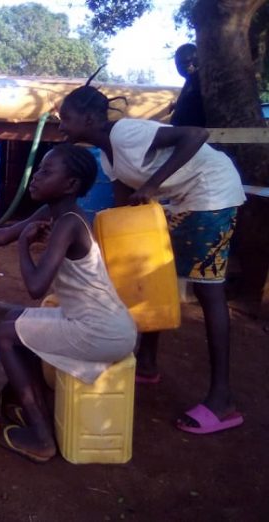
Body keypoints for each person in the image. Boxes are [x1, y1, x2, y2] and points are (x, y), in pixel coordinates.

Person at [58, 77, 246, 435]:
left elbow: (195, 135)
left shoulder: (126, 133)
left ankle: (222, 400)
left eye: (65, 118)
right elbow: (118, 210)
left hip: (211, 193)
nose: (61, 125)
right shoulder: (107, 157)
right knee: (152, 276)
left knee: (208, 291)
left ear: (89, 119)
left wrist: (149, 186)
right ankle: (146, 362)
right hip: (179, 201)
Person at [0, 144, 137, 463]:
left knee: (4, 334)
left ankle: (41, 439)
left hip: (100, 332)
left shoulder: (68, 223)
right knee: (16, 320)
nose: (36, 176)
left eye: (46, 171)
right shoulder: (56, 212)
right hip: (107, 323)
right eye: (39, 169)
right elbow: (6, 234)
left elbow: (35, 286)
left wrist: (25, 248)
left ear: (70, 185)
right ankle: (34, 407)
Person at [170, 44, 206, 127]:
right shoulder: (190, 81)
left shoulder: (200, 79)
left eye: (187, 62)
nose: (182, 67)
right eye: (178, 64)